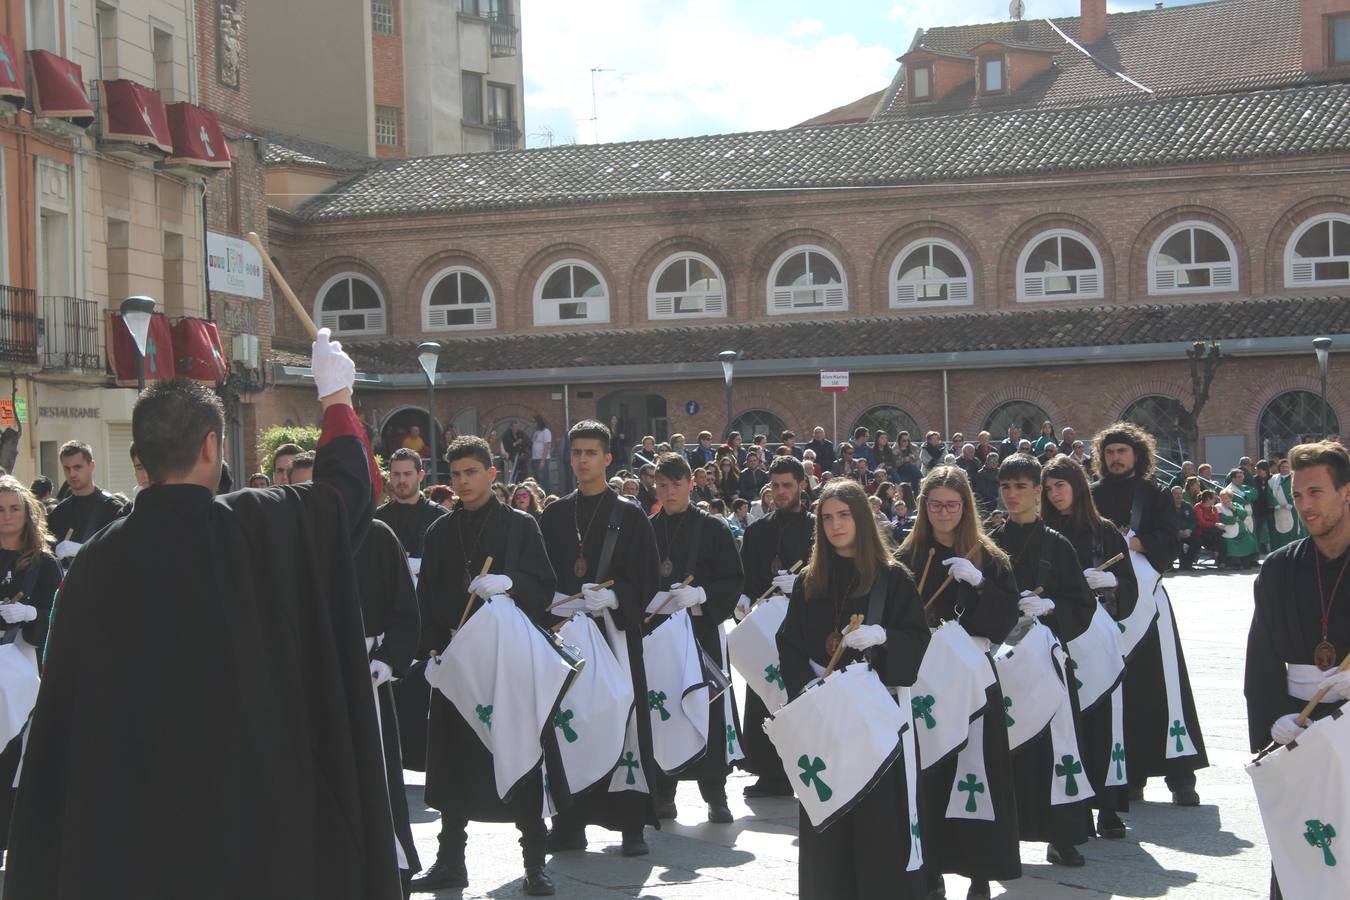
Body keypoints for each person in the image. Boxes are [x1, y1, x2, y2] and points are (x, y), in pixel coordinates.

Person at [7, 334, 400, 898]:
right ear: (213, 445)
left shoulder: (95, 560)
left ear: (139, 461)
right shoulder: (258, 523)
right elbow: (346, 498)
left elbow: (65, 703)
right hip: (250, 815)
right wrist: (336, 398)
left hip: (133, 828)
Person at [410, 436, 559, 896]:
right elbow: (428, 598)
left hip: (507, 665)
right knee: (453, 762)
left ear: (491, 475)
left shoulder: (520, 526)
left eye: (471, 472)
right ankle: (450, 861)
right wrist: (431, 652)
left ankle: (535, 863)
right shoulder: (439, 531)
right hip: (458, 665)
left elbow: (545, 586)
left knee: (519, 757)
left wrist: (510, 583)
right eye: (455, 475)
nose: (462, 482)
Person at [777, 478, 929, 900]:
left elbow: (917, 638)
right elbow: (787, 642)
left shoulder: (892, 578)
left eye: (844, 515)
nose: (835, 525)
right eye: (826, 517)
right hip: (826, 720)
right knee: (830, 821)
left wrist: (884, 639)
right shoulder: (810, 580)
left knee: (879, 824)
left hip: (874, 721)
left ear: (861, 518)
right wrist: (807, 685)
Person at [897, 466, 1020, 900]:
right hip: (925, 682)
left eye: (951, 504)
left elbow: (1007, 620)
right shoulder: (905, 558)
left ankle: (980, 869)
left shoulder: (992, 559)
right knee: (929, 774)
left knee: (975, 772)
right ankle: (930, 871)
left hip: (971, 680)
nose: (943, 512)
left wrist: (981, 583)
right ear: (923, 507)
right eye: (935, 504)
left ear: (965, 507)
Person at [539, 420, 661, 858]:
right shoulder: (553, 514)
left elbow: (647, 578)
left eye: (591, 452)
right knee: (566, 721)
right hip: (567, 634)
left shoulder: (629, 515)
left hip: (614, 635)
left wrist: (614, 595)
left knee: (624, 719)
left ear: (608, 459)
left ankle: (631, 825)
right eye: (576, 453)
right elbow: (540, 575)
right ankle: (570, 822)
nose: (583, 460)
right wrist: (556, 599)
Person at [1245, 441, 1350, 900]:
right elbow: (1262, 661)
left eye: (1315, 492)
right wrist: (1273, 724)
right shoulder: (1278, 568)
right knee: (1303, 851)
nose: (1304, 505)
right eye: (1296, 493)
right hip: (1298, 727)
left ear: (1346, 492)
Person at [1090, 422, 1205, 806]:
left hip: (1149, 604)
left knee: (1162, 683)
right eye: (1109, 453)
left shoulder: (1153, 495)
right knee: (1119, 686)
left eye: (1122, 451)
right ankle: (1130, 774)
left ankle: (1180, 776)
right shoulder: (1091, 496)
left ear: (1137, 454)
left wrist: (1138, 542)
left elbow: (1171, 541)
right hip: (1105, 605)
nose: (1116, 458)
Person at [992, 455, 1096, 868]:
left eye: (1021, 487)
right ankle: (1004, 839)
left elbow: (1082, 605)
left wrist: (1052, 607)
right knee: (1004, 752)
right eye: (1006, 487)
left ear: (1038, 491)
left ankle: (1062, 836)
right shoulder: (990, 542)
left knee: (1057, 747)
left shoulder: (1058, 543)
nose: (1012, 495)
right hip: (1001, 662)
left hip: (1047, 658)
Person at [1042, 454, 1138, 840]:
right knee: (1066, 725)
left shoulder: (1106, 533)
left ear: (1077, 487)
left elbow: (1129, 587)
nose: (1054, 495)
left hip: (1097, 639)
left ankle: (1110, 808)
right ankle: (1075, 807)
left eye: (1060, 486)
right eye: (1047, 489)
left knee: (1105, 723)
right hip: (1057, 636)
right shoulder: (1042, 534)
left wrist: (1109, 582)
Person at [648, 453, 744, 823]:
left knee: (708, 707)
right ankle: (664, 791)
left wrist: (703, 595)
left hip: (702, 630)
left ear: (691, 484)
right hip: (659, 634)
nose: (669, 492)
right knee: (664, 706)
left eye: (676, 485)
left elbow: (733, 579)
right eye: (662, 485)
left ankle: (715, 793)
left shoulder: (714, 528)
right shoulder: (648, 528)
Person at [736, 454, 813, 798]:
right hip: (766, 626)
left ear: (802, 486)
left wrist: (802, 583)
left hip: (804, 626)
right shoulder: (757, 530)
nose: (780, 493)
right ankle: (769, 772)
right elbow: (746, 578)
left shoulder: (817, 527)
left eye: (787, 486)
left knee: (801, 695)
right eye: (775, 486)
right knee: (762, 694)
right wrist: (740, 599)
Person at [353, 517, 422, 895]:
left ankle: (392, 865)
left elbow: (404, 606)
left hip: (368, 671)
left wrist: (389, 657)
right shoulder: (293, 535)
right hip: (312, 675)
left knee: (377, 771)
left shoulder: (377, 535)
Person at [0, 477, 61, 857]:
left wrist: (33, 611)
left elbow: (60, 618)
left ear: (27, 513)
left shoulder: (44, 564)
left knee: (14, 758)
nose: (6, 517)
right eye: (0, 510)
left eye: (14, 509)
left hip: (25, 677)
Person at [46, 441, 127, 566]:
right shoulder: (58, 513)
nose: (72, 474)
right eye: (67, 468)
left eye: (77, 467)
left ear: (92, 466)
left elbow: (122, 553)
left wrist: (82, 549)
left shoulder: (112, 508)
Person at [1266, 458, 1307, 551]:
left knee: (1293, 533)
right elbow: (1268, 493)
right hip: (1277, 511)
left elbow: (1299, 492)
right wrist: (1275, 504)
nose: (1284, 469)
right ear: (1279, 468)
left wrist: (1291, 504)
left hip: (1292, 511)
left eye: (1287, 467)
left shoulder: (1296, 478)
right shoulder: (1273, 479)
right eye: (1283, 467)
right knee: (1277, 534)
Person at [1218, 486, 1259, 569]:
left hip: (1241, 531)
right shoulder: (1218, 507)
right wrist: (1235, 519)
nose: (1223, 500)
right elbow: (1222, 518)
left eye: (1225, 498)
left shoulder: (1236, 505)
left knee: (1249, 539)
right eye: (1222, 498)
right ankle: (1234, 561)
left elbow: (1243, 514)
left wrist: (1234, 509)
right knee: (1230, 541)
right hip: (1227, 530)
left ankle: (1247, 561)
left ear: (1230, 498)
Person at [973, 451, 1001, 517]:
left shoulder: (1000, 472)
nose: (994, 463)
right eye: (992, 461)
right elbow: (981, 490)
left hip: (1000, 501)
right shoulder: (981, 474)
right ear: (987, 461)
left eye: (995, 461)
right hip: (987, 502)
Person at [531, 415, 554, 490]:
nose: (533, 424)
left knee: (544, 480)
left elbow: (547, 446)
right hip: (535, 459)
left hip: (543, 459)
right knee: (537, 481)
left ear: (539, 422)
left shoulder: (546, 432)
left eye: (534, 422)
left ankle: (547, 495)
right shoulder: (536, 433)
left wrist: (542, 461)